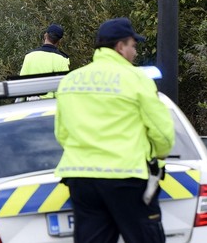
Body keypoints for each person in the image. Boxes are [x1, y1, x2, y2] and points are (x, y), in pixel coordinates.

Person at [54, 17, 175, 243]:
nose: (135, 53)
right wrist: (158, 156)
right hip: (125, 176)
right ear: (120, 46)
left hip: (81, 178)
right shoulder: (135, 78)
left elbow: (62, 133)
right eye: (133, 46)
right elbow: (162, 132)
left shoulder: (70, 81)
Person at [19, 23, 70, 98]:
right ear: (59, 41)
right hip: (50, 105)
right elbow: (62, 89)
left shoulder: (29, 56)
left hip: (31, 105)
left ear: (45, 35)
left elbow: (21, 85)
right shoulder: (63, 59)